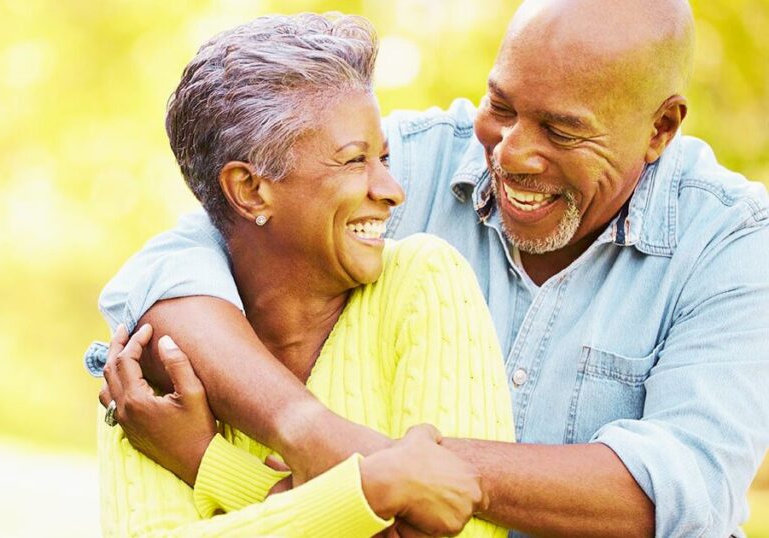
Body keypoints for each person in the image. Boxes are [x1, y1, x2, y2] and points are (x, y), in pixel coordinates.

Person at [93, 0, 769, 536]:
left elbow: (678, 488)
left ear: (661, 128)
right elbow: (176, 268)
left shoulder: (734, 242)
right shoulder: (405, 161)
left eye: (562, 131)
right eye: (501, 106)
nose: (513, 155)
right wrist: (309, 432)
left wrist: (380, 471)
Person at [93, 13, 515, 537]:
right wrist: (374, 494)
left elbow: (458, 529)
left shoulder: (424, 280)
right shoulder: (155, 366)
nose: (391, 190)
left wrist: (212, 466)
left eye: (383, 157)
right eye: (353, 160)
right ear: (250, 190)